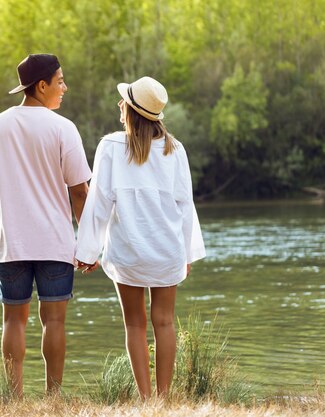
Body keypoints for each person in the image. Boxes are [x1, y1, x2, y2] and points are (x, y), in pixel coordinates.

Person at [74, 76, 206, 399]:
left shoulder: (110, 147)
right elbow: (185, 205)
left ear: (131, 111)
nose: (120, 105)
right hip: (167, 251)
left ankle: (145, 400)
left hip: (128, 253)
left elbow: (99, 202)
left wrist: (88, 251)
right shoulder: (176, 151)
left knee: (134, 325)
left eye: (125, 101)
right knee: (164, 322)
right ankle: (163, 400)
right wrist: (186, 254)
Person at [0, 53, 91, 398]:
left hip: (12, 244)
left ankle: (15, 399)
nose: (64, 88)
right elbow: (81, 192)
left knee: (13, 320)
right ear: (41, 86)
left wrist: (3, 227)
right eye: (59, 82)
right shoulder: (63, 128)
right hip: (55, 241)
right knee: (54, 321)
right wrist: (88, 243)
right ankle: (53, 398)